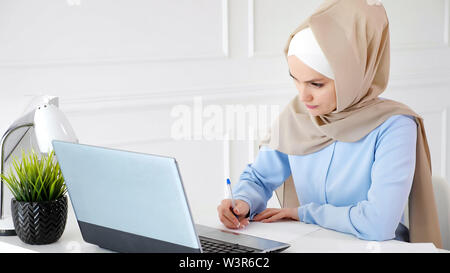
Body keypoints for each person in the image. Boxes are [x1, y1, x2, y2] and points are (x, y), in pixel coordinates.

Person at [216, 0, 442, 247]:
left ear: (351, 77)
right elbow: (259, 177)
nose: (303, 97)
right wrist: (242, 202)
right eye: (296, 80)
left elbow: (378, 223)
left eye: (316, 84)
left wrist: (303, 213)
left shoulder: (395, 126)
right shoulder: (298, 115)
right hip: (310, 246)